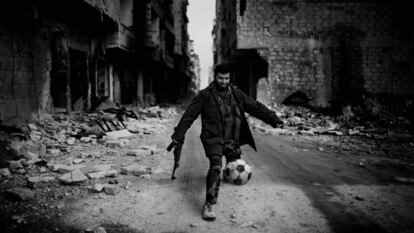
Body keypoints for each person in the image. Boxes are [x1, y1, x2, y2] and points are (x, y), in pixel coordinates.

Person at [169, 63, 284, 221]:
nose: (223, 81)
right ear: (215, 77)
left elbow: (254, 106)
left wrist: (274, 118)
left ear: (230, 78)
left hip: (232, 139)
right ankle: (209, 204)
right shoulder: (205, 95)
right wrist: (178, 135)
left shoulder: (236, 93)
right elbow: (189, 116)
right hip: (213, 139)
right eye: (220, 78)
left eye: (226, 78)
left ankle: (226, 173)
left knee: (235, 164)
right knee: (216, 166)